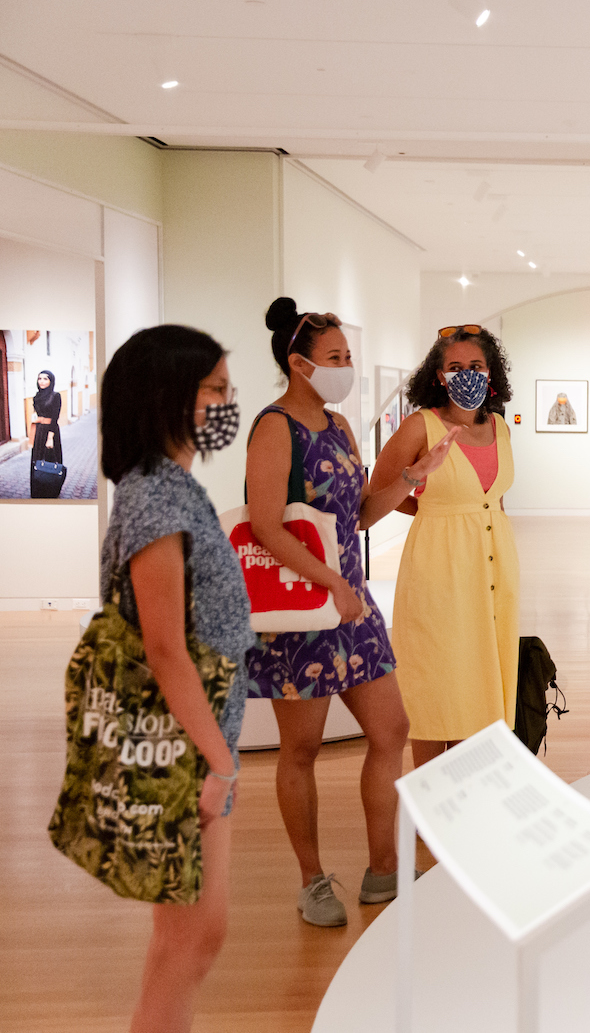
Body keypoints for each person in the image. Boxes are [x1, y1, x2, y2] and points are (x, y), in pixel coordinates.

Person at [244, 297, 457, 927]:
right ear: (299, 363)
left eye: (348, 356)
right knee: (301, 749)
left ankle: (382, 871)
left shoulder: (337, 428)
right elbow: (263, 524)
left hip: (352, 609)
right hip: (301, 612)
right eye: (336, 357)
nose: (346, 366)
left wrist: (412, 478)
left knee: (390, 731)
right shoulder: (274, 427)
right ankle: (312, 880)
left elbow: (356, 513)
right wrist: (330, 581)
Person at [98, 325, 254, 1032]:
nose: (228, 403)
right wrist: (217, 761)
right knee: (190, 936)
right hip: (179, 748)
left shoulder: (171, 487)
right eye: (215, 389)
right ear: (168, 397)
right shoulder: (156, 499)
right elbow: (165, 649)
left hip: (195, 741)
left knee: (194, 933)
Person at [374, 325, 519, 768]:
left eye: (475, 366)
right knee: (438, 680)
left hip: (495, 566)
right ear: (438, 375)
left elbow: (491, 496)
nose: (466, 375)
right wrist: (435, 512)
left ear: (490, 371)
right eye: (455, 367)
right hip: (440, 565)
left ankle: (471, 792)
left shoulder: (499, 426)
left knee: (481, 677)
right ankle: (432, 803)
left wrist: (474, 516)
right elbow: (379, 491)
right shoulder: (422, 425)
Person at [28, 369, 64, 497]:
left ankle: (51, 489)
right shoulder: (36, 397)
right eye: (39, 378)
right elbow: (38, 413)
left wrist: (50, 438)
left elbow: (54, 418)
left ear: (51, 381)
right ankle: (38, 488)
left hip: (50, 432)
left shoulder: (55, 396)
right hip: (39, 432)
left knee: (50, 460)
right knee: (37, 460)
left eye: (45, 379)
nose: (42, 381)